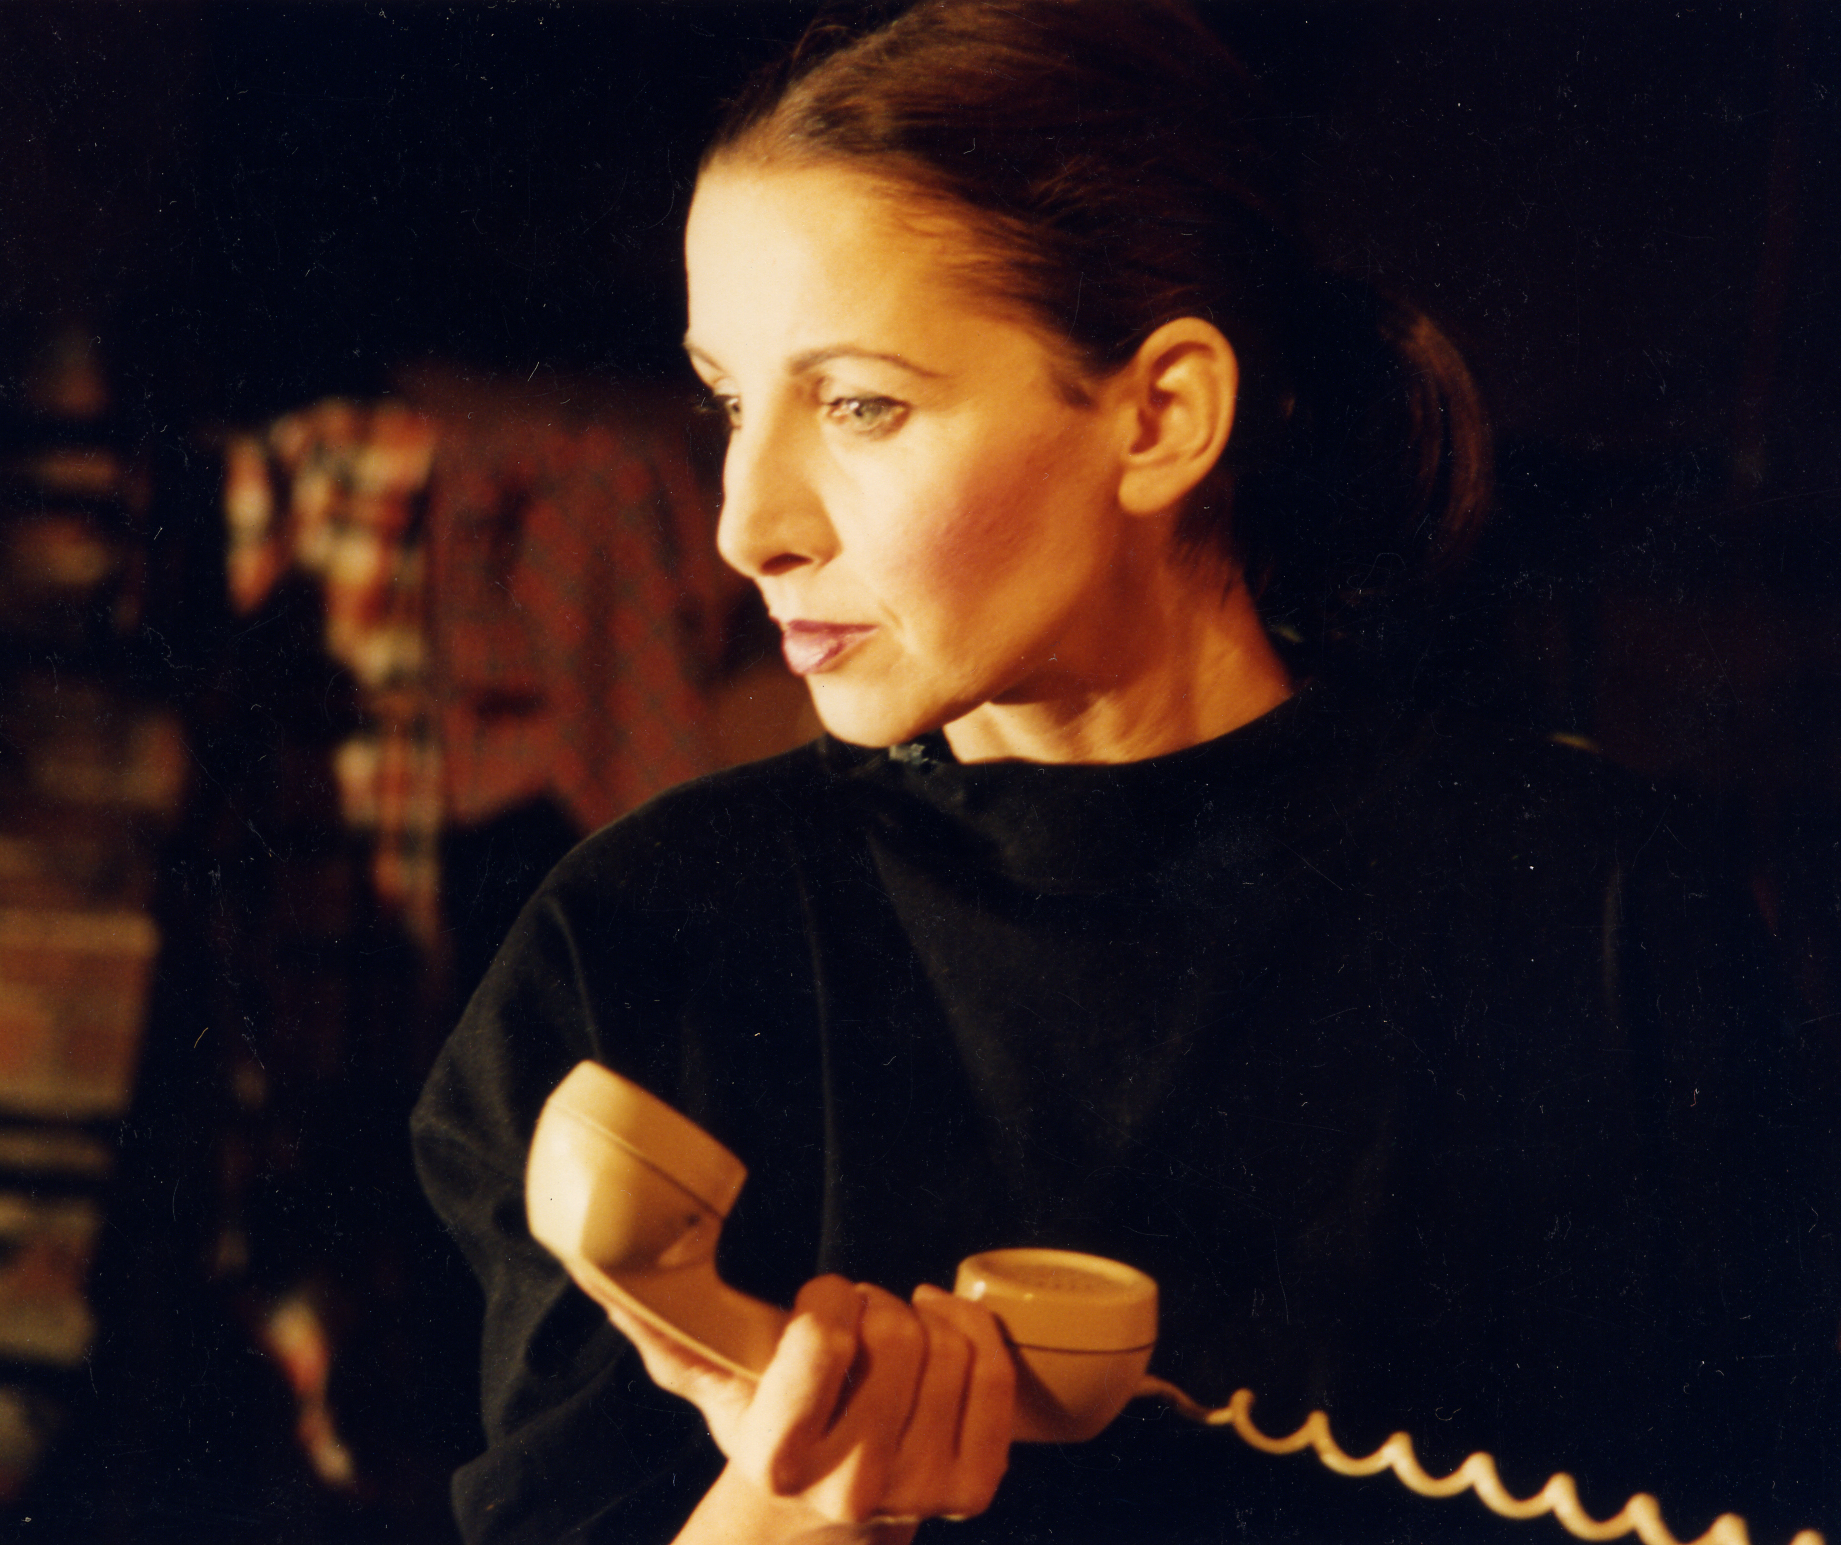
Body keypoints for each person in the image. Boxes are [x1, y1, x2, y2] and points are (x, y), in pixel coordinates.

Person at [412, 2, 1840, 1541]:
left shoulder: (1606, 918)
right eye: (732, 402)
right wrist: (800, 1506)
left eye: (862, 404)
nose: (746, 523)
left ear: (1161, 417)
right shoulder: (633, 950)